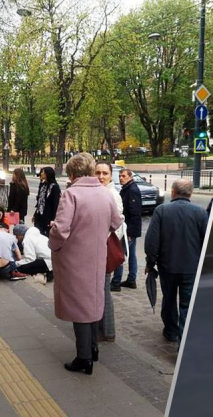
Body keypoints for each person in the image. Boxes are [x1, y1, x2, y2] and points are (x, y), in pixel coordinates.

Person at [49, 154, 121, 375]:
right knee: (92, 302)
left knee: (79, 307)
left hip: (74, 259)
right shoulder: (105, 193)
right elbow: (117, 221)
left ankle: (84, 358)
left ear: (71, 173)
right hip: (97, 258)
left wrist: (53, 239)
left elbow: (61, 229)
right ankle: (93, 348)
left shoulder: (71, 194)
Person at [145, 179, 208, 344]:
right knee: (187, 305)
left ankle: (171, 331)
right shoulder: (200, 212)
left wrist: (151, 263)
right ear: (191, 193)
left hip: (168, 266)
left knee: (169, 299)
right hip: (192, 267)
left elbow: (152, 241)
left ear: (172, 192)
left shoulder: (162, 210)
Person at [94, 161, 127, 342]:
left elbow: (116, 223)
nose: (100, 177)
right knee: (100, 289)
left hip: (104, 247)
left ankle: (107, 331)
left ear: (110, 175)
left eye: (104, 173)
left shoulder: (112, 195)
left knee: (104, 289)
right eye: (97, 173)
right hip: (99, 247)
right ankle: (102, 329)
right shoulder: (100, 192)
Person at [111, 168, 142, 292]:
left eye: (123, 176)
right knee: (132, 254)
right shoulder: (127, 189)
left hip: (128, 229)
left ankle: (116, 282)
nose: (120, 178)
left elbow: (135, 213)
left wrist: (129, 232)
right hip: (129, 229)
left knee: (119, 254)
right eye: (119, 176)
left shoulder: (132, 190)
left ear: (130, 177)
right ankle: (131, 279)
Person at [33, 167, 60, 237]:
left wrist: (53, 219)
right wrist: (35, 214)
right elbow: (40, 201)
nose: (41, 174)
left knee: (46, 236)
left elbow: (55, 204)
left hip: (48, 217)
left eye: (43, 172)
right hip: (39, 215)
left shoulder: (54, 187)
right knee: (38, 234)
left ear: (47, 174)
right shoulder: (43, 185)